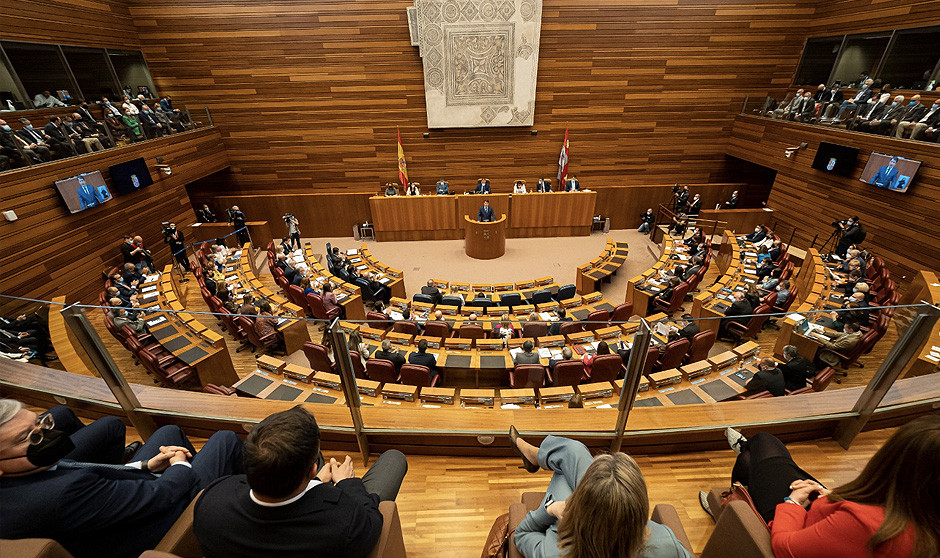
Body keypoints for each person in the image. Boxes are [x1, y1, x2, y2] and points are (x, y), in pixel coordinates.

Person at [0, 399, 243, 558]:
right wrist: (179, 465)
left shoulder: (23, 473)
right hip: (160, 524)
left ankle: (214, 482)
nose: (44, 435)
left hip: (117, 505)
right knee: (225, 440)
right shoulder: (64, 493)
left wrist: (144, 464)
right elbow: (163, 494)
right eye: (27, 438)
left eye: (40, 423)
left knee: (169, 433)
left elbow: (73, 468)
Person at [701, 417, 939, 557]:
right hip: (828, 515)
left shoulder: (867, 525)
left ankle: (728, 509)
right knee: (756, 456)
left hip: (796, 521)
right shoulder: (926, 521)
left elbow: (785, 547)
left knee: (762, 443)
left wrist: (793, 502)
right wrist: (835, 497)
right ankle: (741, 465)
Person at [194, 406, 407, 558]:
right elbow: (372, 523)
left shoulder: (211, 501)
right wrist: (346, 483)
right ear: (312, 469)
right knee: (394, 459)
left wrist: (314, 481)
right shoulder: (345, 522)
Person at [510, 430, 692, 558]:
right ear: (640, 508)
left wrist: (550, 509)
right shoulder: (667, 544)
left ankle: (533, 457)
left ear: (579, 507)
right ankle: (534, 456)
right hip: (612, 520)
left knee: (568, 462)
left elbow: (521, 533)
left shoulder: (554, 552)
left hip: (569, 532)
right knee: (575, 452)